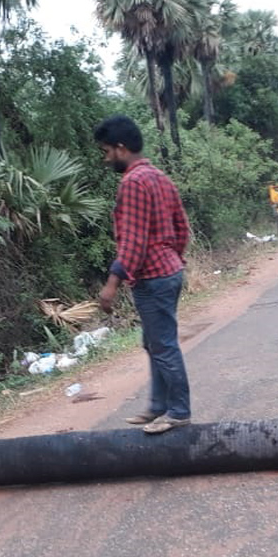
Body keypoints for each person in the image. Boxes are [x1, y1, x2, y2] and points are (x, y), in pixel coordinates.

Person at [94, 114, 192, 434]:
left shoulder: (133, 182)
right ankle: (158, 406)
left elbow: (133, 242)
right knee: (154, 343)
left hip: (154, 278)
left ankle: (178, 411)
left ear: (121, 149)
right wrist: (173, 259)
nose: (106, 158)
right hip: (168, 272)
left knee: (163, 345)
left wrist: (111, 285)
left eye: (107, 151)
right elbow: (182, 228)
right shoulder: (159, 177)